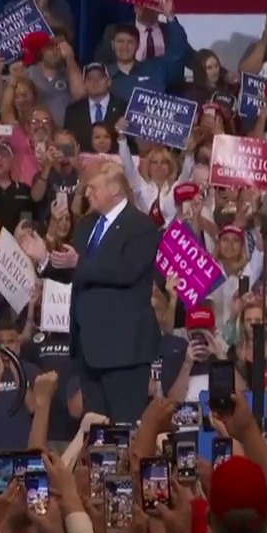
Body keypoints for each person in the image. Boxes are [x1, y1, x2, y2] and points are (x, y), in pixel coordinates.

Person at [29, 162, 160, 423]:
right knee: (96, 431)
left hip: (124, 350)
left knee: (124, 428)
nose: (87, 193)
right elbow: (77, 272)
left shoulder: (140, 225)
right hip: (89, 349)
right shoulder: (88, 225)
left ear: (114, 189)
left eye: (93, 187)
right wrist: (44, 259)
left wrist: (78, 263)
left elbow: (126, 271)